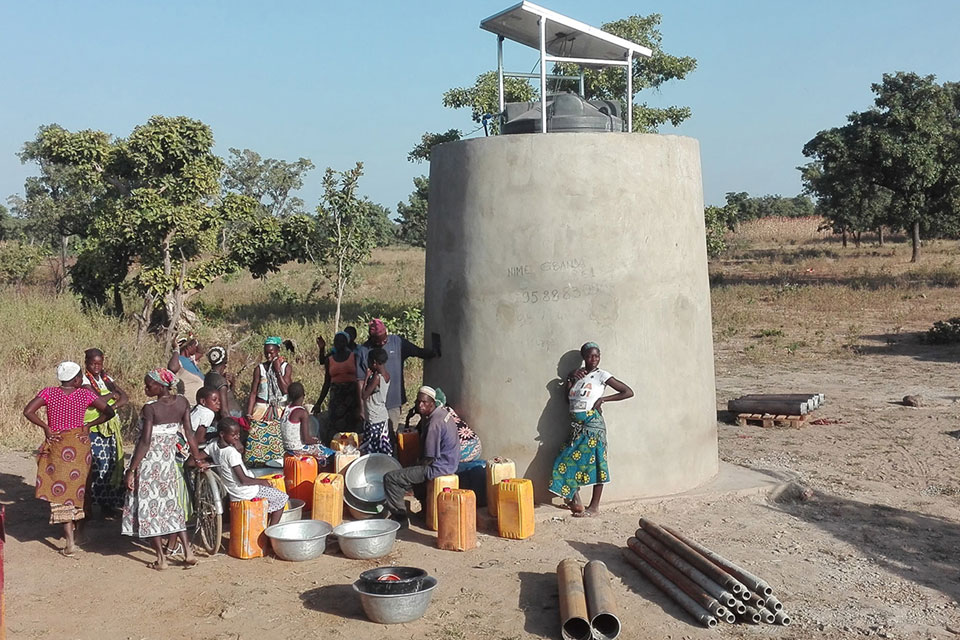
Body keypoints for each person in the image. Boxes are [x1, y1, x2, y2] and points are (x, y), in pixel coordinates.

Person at [23, 361, 115, 556]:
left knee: (60, 492)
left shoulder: (48, 393)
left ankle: (70, 542)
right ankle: (81, 532)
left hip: (57, 446)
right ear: (75, 380)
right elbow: (109, 411)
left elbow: (28, 411)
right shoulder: (85, 394)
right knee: (81, 490)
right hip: (79, 446)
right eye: (80, 377)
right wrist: (89, 425)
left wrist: (46, 428)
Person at [122, 368, 205, 570]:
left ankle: (161, 559)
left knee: (150, 511)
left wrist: (132, 470)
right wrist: (197, 457)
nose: (146, 388)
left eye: (149, 385)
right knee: (172, 507)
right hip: (168, 464)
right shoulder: (183, 403)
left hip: (149, 465)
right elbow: (189, 434)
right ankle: (188, 552)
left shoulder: (150, 408)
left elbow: (145, 442)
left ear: (160, 386)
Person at [549, 342, 634, 518]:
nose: (593, 359)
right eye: (589, 356)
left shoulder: (602, 375)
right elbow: (568, 400)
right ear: (584, 358)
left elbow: (627, 391)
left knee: (598, 465)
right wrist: (570, 379)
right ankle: (575, 499)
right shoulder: (577, 376)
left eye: (596, 355)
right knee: (563, 461)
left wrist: (603, 400)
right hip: (577, 428)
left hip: (593, 426)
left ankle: (594, 507)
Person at [382, 386, 459, 529]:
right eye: (418, 402)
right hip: (449, 462)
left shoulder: (434, 424)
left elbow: (429, 458)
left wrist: (412, 470)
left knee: (391, 478)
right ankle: (425, 510)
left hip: (439, 467)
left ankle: (400, 518)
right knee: (411, 472)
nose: (420, 405)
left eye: (424, 402)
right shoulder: (442, 413)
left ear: (432, 403)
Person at [356, 319, 438, 447]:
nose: (384, 342)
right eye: (379, 340)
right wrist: (362, 408)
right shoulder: (363, 351)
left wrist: (433, 352)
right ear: (371, 338)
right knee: (374, 438)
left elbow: (417, 352)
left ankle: (390, 460)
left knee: (391, 435)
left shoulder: (397, 342)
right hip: (373, 407)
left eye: (385, 338)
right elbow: (360, 381)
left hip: (393, 401)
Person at [208, 419, 289, 527]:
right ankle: (271, 528)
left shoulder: (213, 445)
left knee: (262, 482)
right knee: (282, 497)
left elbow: (194, 459)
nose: (237, 437)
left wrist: (202, 462)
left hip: (233, 490)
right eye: (234, 435)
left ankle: (262, 513)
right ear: (222, 434)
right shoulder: (231, 453)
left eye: (238, 434)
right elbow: (244, 480)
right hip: (245, 491)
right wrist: (261, 482)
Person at [81, 348, 128, 515]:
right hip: (94, 427)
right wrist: (111, 397)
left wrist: (111, 408)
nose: (96, 367)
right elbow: (95, 401)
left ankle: (108, 503)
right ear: (86, 363)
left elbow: (124, 397)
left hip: (109, 426)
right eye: (93, 363)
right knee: (98, 465)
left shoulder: (106, 378)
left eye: (99, 363)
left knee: (112, 464)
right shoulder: (83, 380)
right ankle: (95, 503)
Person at [243, 337, 292, 465]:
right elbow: (253, 392)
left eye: (272, 352)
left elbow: (286, 390)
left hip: (279, 409)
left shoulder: (285, 367)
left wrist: (277, 372)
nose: (269, 356)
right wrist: (249, 413)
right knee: (257, 442)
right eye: (266, 353)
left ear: (278, 351)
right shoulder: (260, 369)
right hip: (261, 410)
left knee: (279, 443)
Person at [313, 332, 361, 437]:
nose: (339, 343)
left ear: (346, 342)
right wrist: (318, 403)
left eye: (342, 341)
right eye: (337, 341)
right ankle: (338, 450)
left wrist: (362, 403)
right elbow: (327, 383)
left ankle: (352, 452)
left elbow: (360, 379)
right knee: (336, 428)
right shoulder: (330, 360)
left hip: (352, 396)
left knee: (352, 428)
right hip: (337, 398)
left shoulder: (354, 357)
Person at [281, 382, 334, 461]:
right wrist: (318, 441)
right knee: (331, 454)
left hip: (288, 448)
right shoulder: (302, 412)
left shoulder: (286, 409)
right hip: (299, 449)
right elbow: (306, 440)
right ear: (303, 395)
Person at [359, 348, 391, 455]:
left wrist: (367, 377)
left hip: (374, 418)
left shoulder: (376, 378)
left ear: (374, 363)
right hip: (381, 416)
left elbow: (364, 395)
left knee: (371, 448)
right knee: (381, 446)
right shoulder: (386, 375)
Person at [203, 346, 242, 421]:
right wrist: (230, 425)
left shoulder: (209, 376)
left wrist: (232, 384)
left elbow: (227, 396)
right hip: (230, 416)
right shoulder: (220, 381)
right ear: (225, 362)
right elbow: (224, 412)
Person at [168, 337, 205, 406]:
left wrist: (195, 340)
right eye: (195, 346)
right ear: (189, 347)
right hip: (189, 403)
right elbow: (172, 368)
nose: (196, 348)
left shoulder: (191, 360)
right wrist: (176, 349)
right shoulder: (178, 360)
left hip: (199, 403)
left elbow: (201, 352)